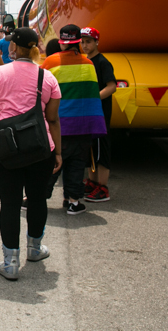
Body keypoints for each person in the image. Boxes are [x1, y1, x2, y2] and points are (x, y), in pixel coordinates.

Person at [0, 28, 63, 280]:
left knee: (10, 203)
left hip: (3, 148)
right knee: (37, 199)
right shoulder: (47, 78)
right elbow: (53, 118)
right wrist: (57, 151)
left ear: (13, 47)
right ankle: (35, 249)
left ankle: (10, 262)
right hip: (40, 148)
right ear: (36, 48)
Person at [41, 24, 106, 215]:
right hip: (83, 125)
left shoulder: (51, 62)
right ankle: (73, 202)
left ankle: (37, 198)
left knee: (53, 164)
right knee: (77, 165)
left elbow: (42, 92)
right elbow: (92, 95)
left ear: (62, 43)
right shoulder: (88, 64)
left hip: (59, 124)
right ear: (78, 42)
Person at [80, 27, 117, 202]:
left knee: (102, 149)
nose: (85, 45)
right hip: (88, 112)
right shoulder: (85, 61)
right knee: (91, 147)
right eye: (82, 41)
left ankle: (103, 187)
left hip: (100, 112)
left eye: (88, 41)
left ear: (97, 42)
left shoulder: (102, 62)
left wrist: (95, 98)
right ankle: (92, 182)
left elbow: (111, 86)